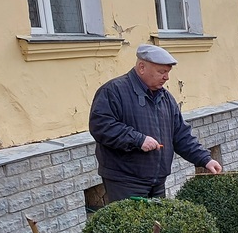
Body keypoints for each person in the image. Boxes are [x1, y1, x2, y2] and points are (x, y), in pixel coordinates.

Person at [89, 43, 222, 203]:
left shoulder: (166, 98)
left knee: (156, 227)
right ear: (142, 67)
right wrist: (138, 140)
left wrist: (205, 159)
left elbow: (181, 135)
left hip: (157, 182)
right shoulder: (113, 91)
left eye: (168, 72)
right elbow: (101, 126)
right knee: (134, 228)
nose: (167, 77)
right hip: (125, 181)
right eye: (162, 72)